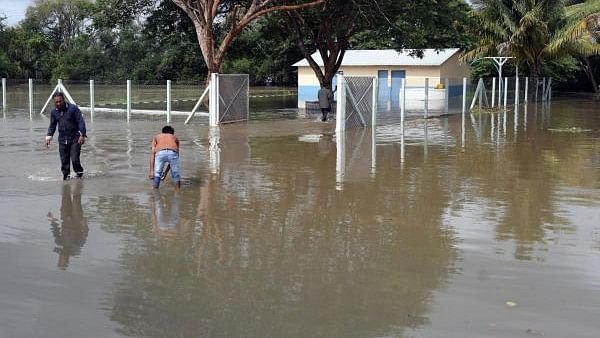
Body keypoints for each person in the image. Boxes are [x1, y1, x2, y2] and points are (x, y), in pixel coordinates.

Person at [45, 92, 87, 180]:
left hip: (75, 138)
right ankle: (66, 178)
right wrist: (49, 136)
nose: (58, 104)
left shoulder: (73, 109)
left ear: (64, 100)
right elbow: (52, 125)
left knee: (75, 159)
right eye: (56, 102)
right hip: (62, 139)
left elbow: (80, 121)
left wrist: (82, 134)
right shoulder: (54, 112)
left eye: (60, 101)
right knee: (64, 162)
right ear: (54, 102)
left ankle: (79, 175)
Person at [47, 181, 89, 270]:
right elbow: (85, 235)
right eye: (64, 260)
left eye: (60, 259)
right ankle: (79, 180)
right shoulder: (77, 248)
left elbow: (55, 230)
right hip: (77, 220)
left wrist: (52, 220)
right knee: (76, 199)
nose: (62, 257)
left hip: (65, 219)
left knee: (65, 197)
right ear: (68, 260)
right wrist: (85, 225)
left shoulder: (59, 243)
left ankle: (66, 181)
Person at [151, 125, 181, 190]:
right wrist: (165, 173)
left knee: (157, 173)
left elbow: (153, 154)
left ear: (162, 132)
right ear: (172, 134)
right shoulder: (175, 138)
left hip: (160, 152)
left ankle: (155, 191)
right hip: (172, 152)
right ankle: (178, 192)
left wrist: (151, 171)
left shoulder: (157, 137)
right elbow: (176, 156)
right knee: (176, 174)